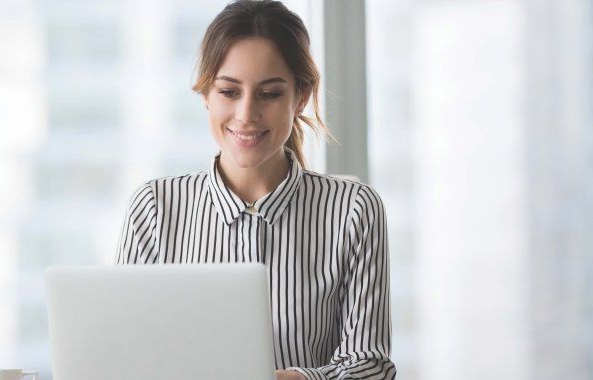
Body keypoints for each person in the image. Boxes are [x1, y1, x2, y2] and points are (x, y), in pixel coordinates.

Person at [115, 1, 395, 379]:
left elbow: (370, 366)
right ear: (205, 96)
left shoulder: (353, 209)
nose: (246, 114)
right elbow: (126, 354)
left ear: (301, 97)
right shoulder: (155, 207)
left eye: (269, 94)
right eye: (229, 92)